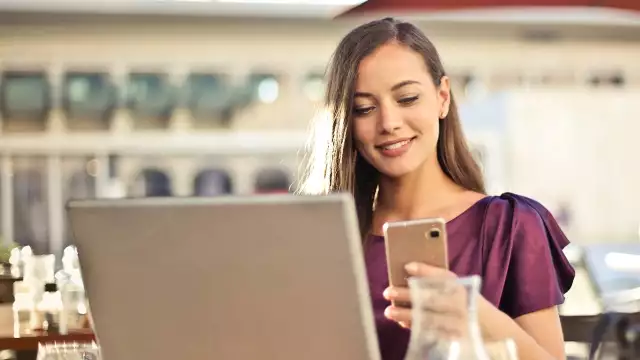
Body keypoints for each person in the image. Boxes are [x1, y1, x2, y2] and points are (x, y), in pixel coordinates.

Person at [298, 17, 575, 360]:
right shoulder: (328, 241)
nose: (389, 123)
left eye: (408, 98)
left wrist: (472, 314)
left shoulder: (509, 225)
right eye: (364, 108)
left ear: (442, 97)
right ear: (346, 122)